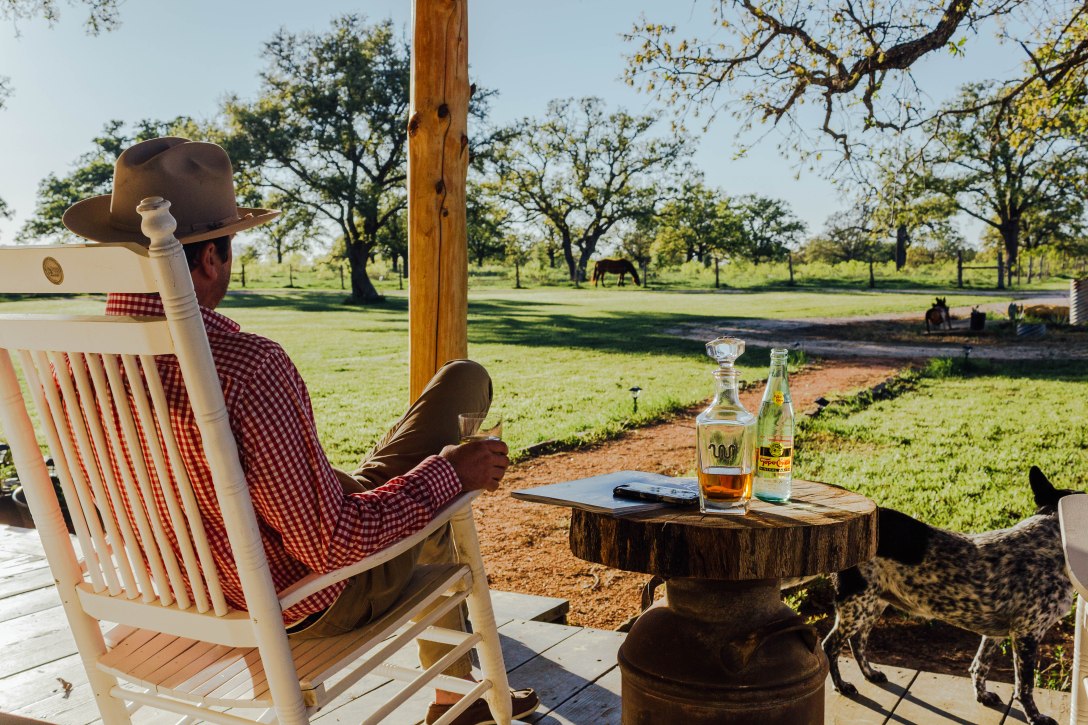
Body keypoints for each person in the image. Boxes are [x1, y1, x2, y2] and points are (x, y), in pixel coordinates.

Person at [61, 137, 538, 725]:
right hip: (304, 603)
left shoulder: (72, 368)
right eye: (230, 248)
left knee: (385, 485)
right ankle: (456, 698)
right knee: (459, 396)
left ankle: (454, 695)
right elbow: (333, 546)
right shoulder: (245, 366)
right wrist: (448, 473)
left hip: (178, 596)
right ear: (211, 258)